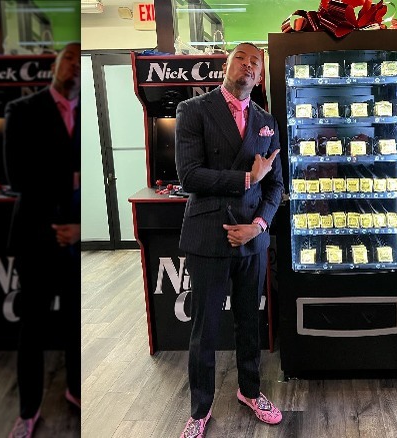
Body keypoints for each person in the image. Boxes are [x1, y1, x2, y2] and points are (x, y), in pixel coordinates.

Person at [174, 42, 284, 438]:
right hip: (209, 235)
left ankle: (250, 391)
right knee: (204, 328)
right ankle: (199, 410)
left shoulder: (266, 121)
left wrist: (258, 225)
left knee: (249, 323)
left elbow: (276, 188)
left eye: (256, 62)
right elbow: (189, 176)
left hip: (251, 238)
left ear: (259, 75)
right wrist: (246, 178)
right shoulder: (194, 111)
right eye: (241, 58)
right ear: (226, 65)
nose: (248, 66)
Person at [3, 42, 81, 438]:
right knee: (31, 328)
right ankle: (28, 410)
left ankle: (74, 389)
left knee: (74, 323)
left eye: (77, 58)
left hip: (76, 241)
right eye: (67, 56)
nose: (72, 63)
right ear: (55, 64)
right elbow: (19, 177)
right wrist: (70, 178)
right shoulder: (23, 111)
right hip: (35, 237)